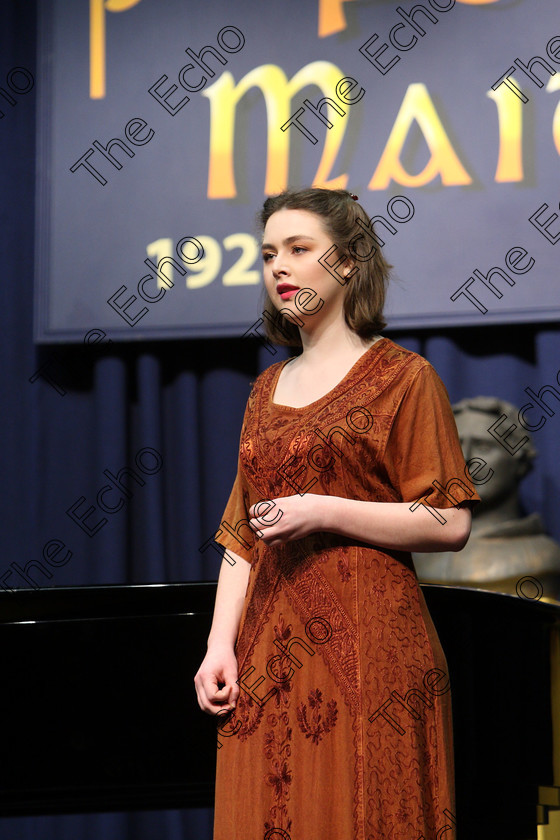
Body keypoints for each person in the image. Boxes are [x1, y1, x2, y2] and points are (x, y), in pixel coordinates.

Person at [194, 188, 480, 840]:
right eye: (268, 254)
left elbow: (451, 523)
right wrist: (218, 646)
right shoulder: (264, 389)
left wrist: (324, 509)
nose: (279, 268)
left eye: (298, 249)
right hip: (266, 655)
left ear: (349, 262)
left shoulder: (405, 378)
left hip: (371, 649)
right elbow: (242, 536)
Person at [414, 396, 560, 603]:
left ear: (520, 462)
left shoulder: (543, 557)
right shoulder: (417, 552)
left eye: (483, 447)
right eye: (455, 447)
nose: (464, 458)